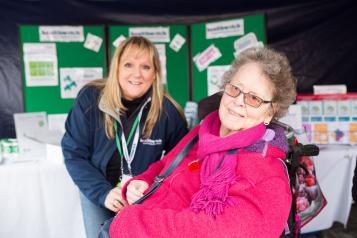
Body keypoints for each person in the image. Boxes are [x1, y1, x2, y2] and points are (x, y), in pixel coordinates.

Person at [109, 46, 297, 238]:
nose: (239, 101)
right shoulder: (202, 132)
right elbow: (164, 166)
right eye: (235, 88)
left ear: (270, 112)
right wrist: (142, 181)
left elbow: (220, 232)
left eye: (254, 98)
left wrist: (132, 222)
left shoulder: (267, 172)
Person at [61, 36, 188, 238]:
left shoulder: (167, 111)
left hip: (141, 194)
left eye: (145, 67)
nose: (136, 74)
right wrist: (103, 193)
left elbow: (182, 161)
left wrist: (150, 185)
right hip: (98, 189)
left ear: (155, 73)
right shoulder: (91, 98)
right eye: (128, 64)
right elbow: (74, 154)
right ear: (116, 68)